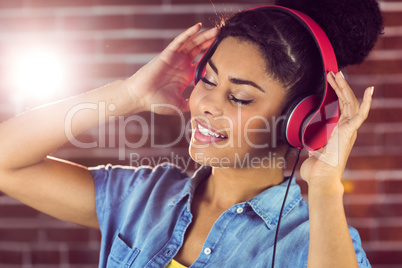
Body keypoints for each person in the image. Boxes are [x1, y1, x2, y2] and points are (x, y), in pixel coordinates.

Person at [0, 0, 383, 267]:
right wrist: (130, 93)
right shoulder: (143, 198)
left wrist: (326, 187)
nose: (206, 104)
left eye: (239, 97)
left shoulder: (312, 241)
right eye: (208, 79)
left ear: (298, 122)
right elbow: (6, 163)